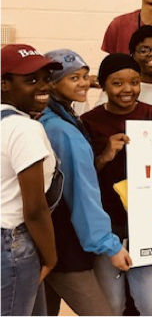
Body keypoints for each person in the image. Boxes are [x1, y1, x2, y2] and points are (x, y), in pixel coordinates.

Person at [39, 49, 131, 317]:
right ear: (53, 83)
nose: (82, 83)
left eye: (84, 75)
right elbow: (82, 193)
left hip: (44, 239)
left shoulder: (47, 118)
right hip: (65, 244)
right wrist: (109, 245)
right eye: (72, 78)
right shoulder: (64, 131)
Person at [81, 54, 152, 317]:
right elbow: (82, 177)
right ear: (104, 86)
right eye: (118, 83)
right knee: (111, 306)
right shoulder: (89, 122)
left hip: (149, 225)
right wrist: (105, 155)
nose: (127, 89)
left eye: (134, 82)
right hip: (108, 227)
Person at [0, 44, 60, 317]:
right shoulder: (25, 129)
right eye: (31, 80)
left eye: (46, 78)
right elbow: (34, 208)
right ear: (4, 84)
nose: (43, 86)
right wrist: (50, 256)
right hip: (12, 241)